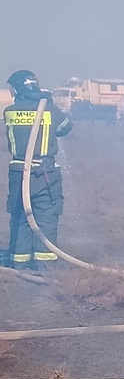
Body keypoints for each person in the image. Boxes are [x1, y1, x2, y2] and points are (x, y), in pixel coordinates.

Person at [4, 70, 72, 270]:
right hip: (45, 174)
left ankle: (19, 262)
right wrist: (48, 102)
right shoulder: (49, 109)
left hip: (18, 174)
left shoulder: (9, 111)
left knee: (21, 217)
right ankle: (45, 266)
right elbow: (66, 128)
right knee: (45, 216)